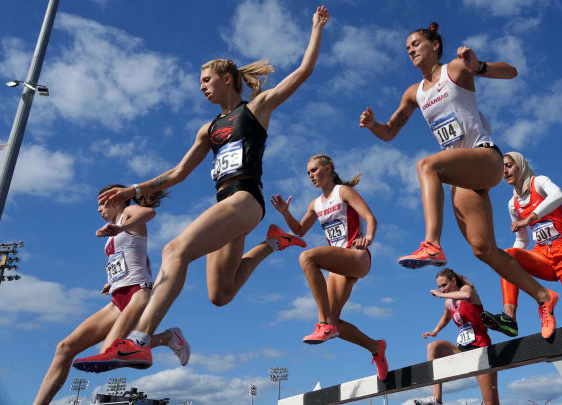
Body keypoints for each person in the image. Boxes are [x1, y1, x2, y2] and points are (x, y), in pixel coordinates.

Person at [75, 6, 329, 371]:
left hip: (245, 198)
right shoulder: (207, 130)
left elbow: (303, 72)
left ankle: (140, 341)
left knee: (175, 249)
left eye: (206, 79)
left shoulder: (255, 109)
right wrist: (133, 189)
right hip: (227, 206)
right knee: (220, 294)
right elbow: (178, 173)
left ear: (228, 78)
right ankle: (275, 241)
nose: (201, 86)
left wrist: (316, 28)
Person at [358, 22, 559, 338]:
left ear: (434, 45)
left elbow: (511, 73)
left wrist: (477, 65)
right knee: (484, 250)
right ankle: (544, 298)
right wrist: (373, 125)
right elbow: (390, 131)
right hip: (462, 176)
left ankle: (432, 244)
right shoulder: (413, 93)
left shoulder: (455, 69)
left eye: (416, 43)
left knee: (427, 165)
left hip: (484, 156)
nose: (410, 49)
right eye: (407, 47)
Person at [33, 185, 189, 405]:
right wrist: (112, 281)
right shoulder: (116, 229)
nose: (98, 210)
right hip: (118, 298)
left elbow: (149, 213)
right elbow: (141, 260)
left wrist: (120, 228)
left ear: (116, 200)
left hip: (137, 293)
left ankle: (168, 337)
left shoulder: (129, 214)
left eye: (101, 203)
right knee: (64, 348)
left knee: (109, 352)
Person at [270, 154, 388, 379]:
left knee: (307, 257)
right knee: (336, 323)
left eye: (314, 170)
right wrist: (285, 212)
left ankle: (323, 323)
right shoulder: (315, 204)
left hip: (356, 255)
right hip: (338, 267)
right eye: (308, 173)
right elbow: (299, 230)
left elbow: (370, 217)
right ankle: (375, 347)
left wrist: (369, 237)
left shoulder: (342, 191)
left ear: (329, 168)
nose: (311, 176)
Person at [481, 151, 562, 338]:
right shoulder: (512, 204)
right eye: (501, 169)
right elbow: (522, 241)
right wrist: (506, 266)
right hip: (543, 256)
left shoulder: (538, 182)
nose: (505, 172)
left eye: (508, 166)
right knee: (506, 257)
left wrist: (530, 218)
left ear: (520, 165)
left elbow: (558, 196)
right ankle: (510, 318)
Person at [414, 268, 498, 405]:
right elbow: (446, 317)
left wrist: (440, 295)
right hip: (462, 349)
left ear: (454, 281)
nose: (442, 289)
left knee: (491, 402)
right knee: (434, 347)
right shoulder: (448, 302)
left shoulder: (467, 289)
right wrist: (435, 331)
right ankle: (437, 399)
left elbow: (465, 295)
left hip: (480, 348)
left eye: (444, 285)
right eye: (439, 287)